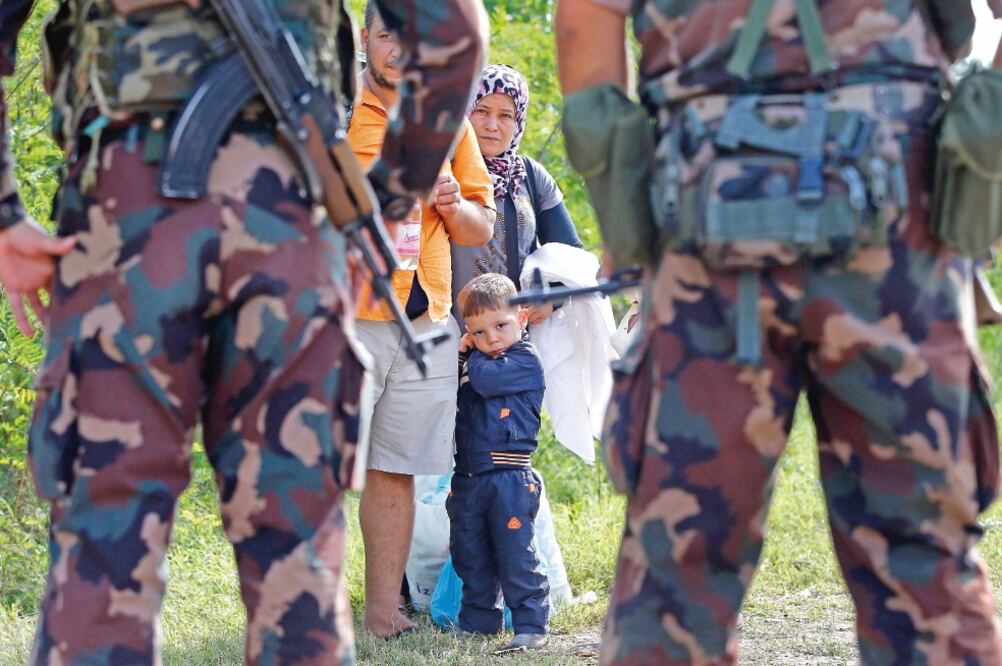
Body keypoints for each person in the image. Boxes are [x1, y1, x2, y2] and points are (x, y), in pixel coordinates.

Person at [0, 0, 487, 663]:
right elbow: (457, 31)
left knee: (102, 544)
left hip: (123, 222)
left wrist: (6, 213)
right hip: (289, 228)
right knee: (296, 559)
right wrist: (385, 196)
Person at [556, 1, 1002, 664]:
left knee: (677, 563)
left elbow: (585, 22)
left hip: (706, 204)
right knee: (921, 562)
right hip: (898, 213)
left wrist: (625, 219)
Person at [347, 0, 496, 639]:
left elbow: (480, 224)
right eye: (385, 36)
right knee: (317, 470)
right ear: (365, 36)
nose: (397, 50)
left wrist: (454, 205)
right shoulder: (328, 113)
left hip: (425, 323)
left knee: (395, 468)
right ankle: (305, 613)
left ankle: (382, 615)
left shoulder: (448, 118)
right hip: (342, 318)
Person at [448, 272, 549, 650]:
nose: (491, 339)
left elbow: (487, 382)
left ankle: (531, 625)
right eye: (478, 332)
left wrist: (466, 355)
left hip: (509, 476)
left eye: (500, 326)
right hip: (469, 475)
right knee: (470, 553)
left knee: (515, 554)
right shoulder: (476, 360)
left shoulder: (524, 360)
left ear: (522, 318)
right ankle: (478, 623)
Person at [453, 63, 582, 332]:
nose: (492, 125)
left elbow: (572, 255)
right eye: (482, 111)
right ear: (466, 112)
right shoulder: (445, 170)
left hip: (520, 340)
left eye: (505, 116)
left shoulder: (531, 176)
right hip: (453, 336)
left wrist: (550, 299)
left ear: (518, 121)